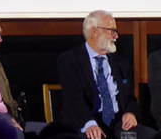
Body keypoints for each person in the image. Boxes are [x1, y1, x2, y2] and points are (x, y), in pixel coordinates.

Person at [55, 10, 153, 139]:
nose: (116, 36)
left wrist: (130, 113)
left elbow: (130, 98)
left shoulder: (120, 62)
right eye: (111, 31)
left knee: (151, 136)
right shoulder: (70, 60)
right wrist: (89, 124)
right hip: (86, 122)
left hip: (119, 123)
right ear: (95, 31)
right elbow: (73, 99)